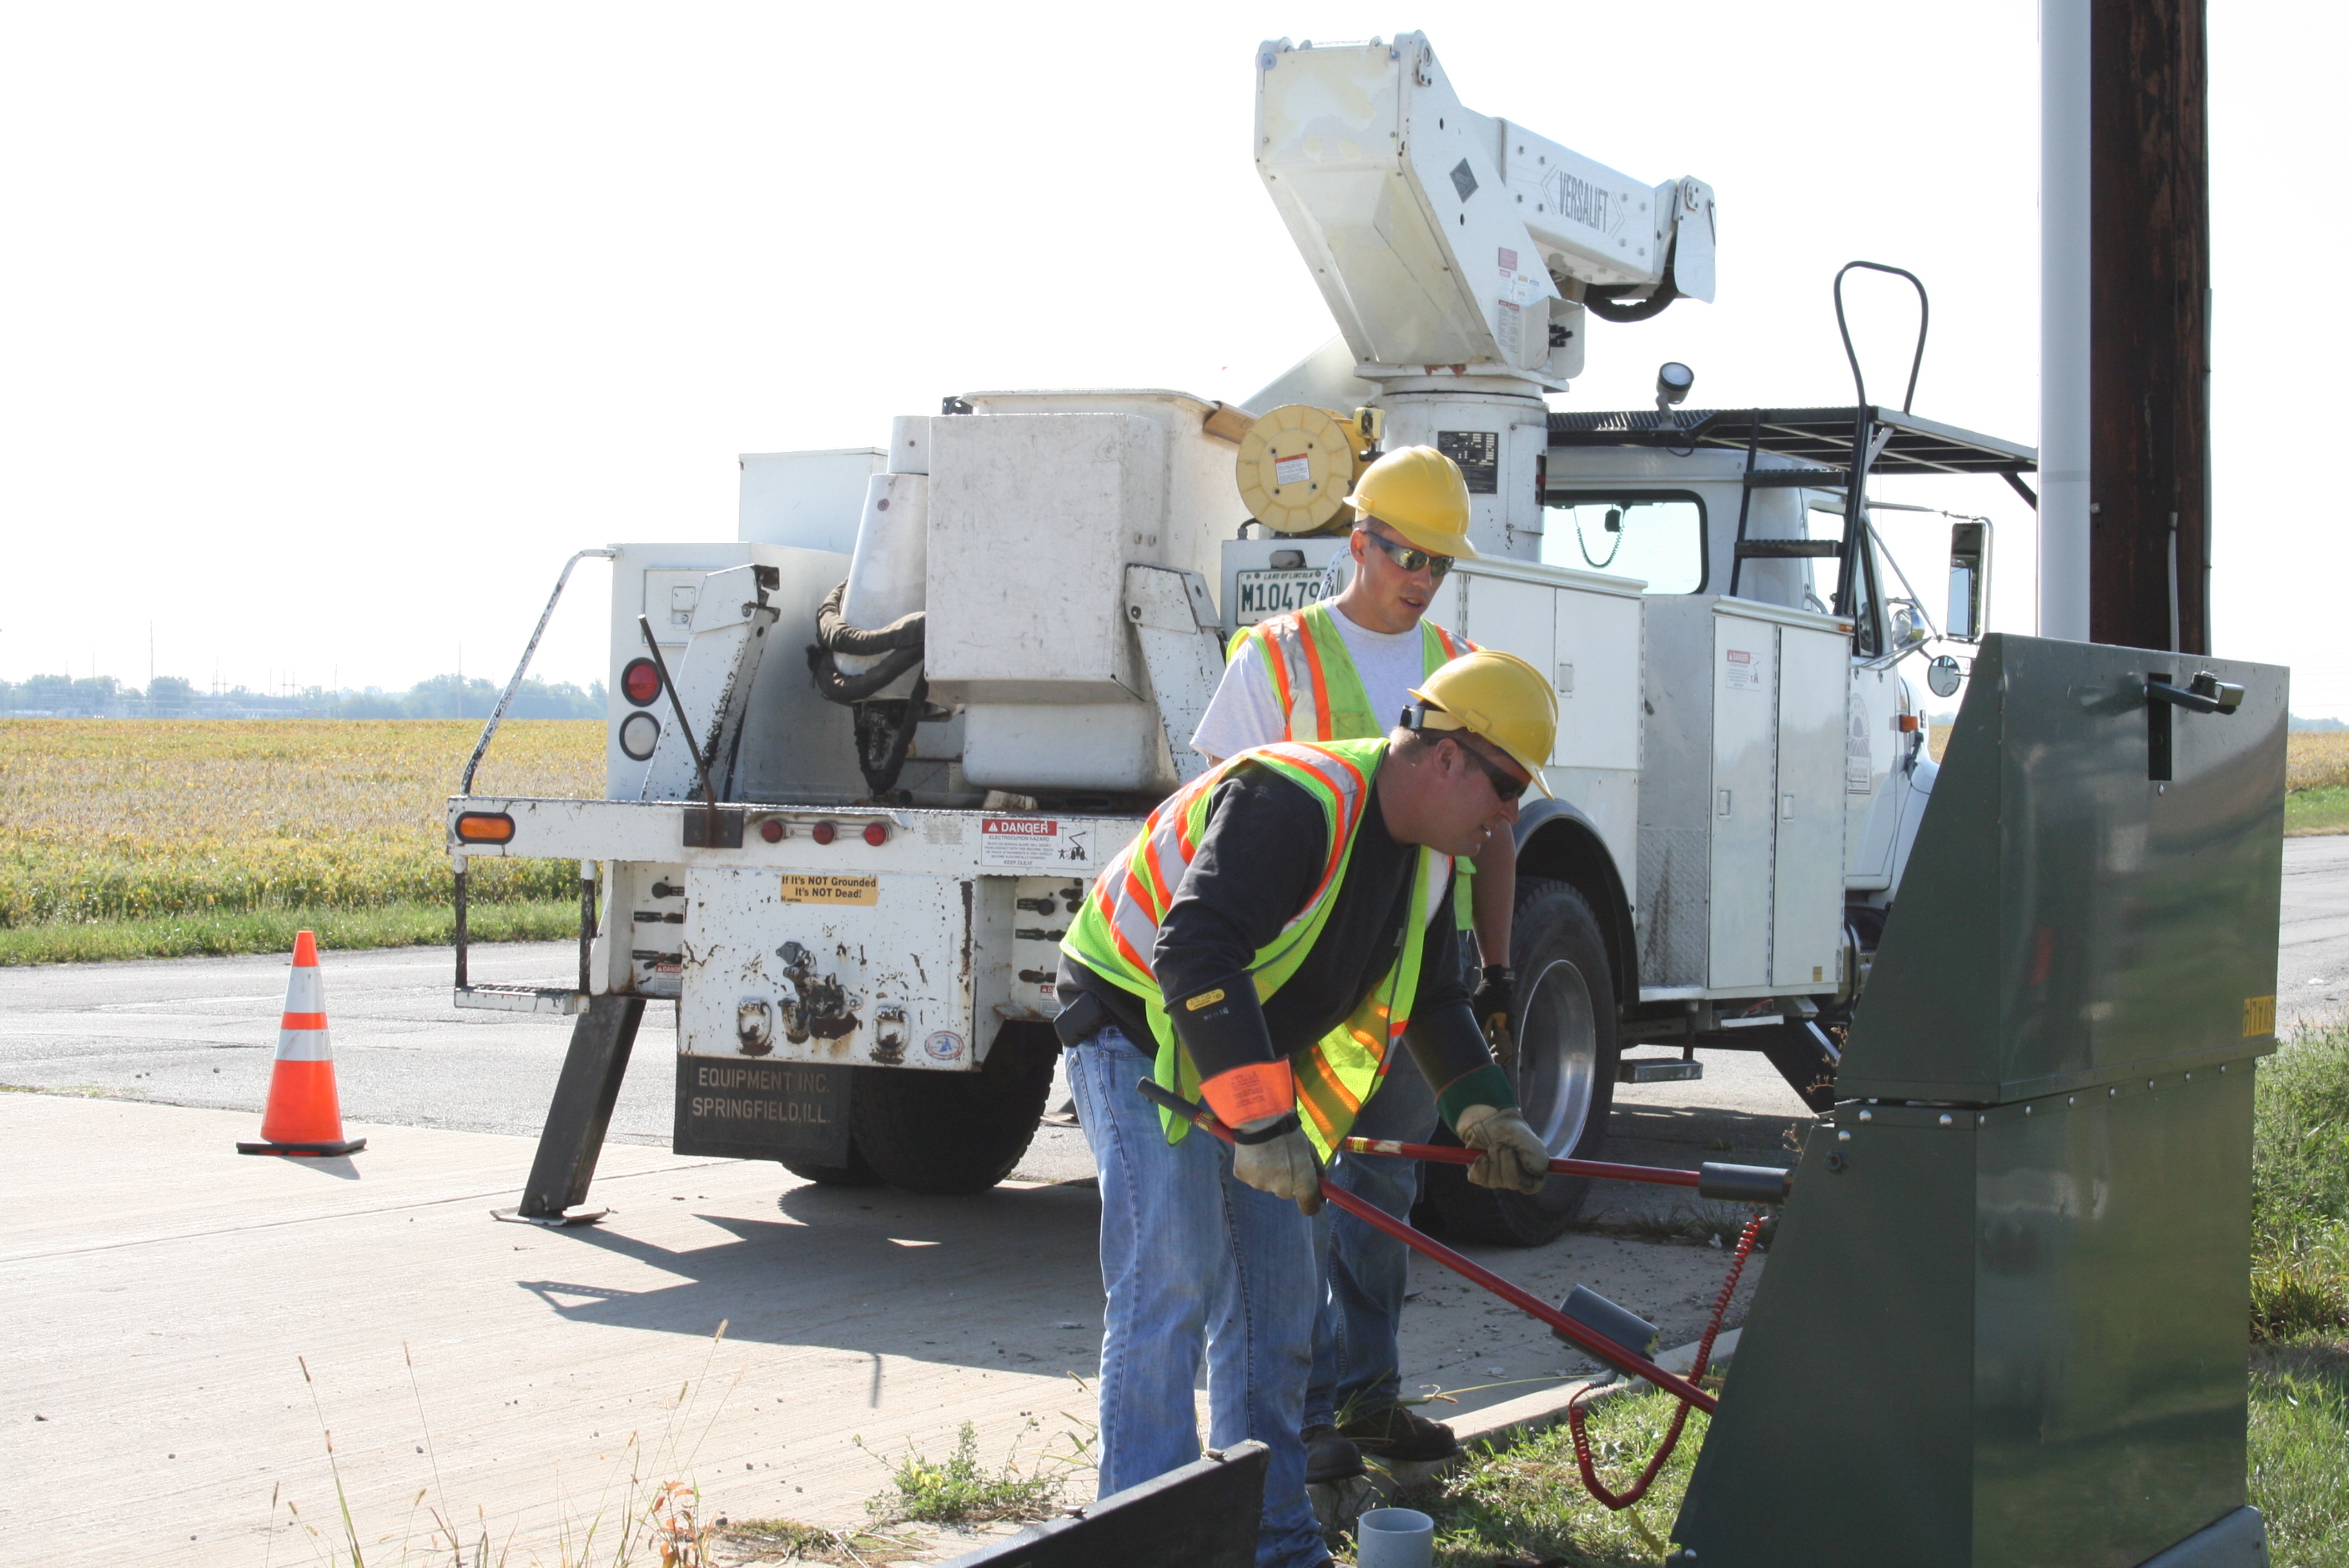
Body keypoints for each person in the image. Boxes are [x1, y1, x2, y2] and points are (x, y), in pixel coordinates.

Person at [1054, 650, 1559, 1568]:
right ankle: (1146, 1544)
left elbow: (1437, 994)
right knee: (1169, 1279)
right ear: (1447, 757)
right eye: (1504, 784)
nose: (1507, 813)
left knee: (1278, 1308)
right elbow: (1194, 951)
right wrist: (1258, 1117)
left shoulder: (1427, 855)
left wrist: (1488, 1111)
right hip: (1129, 1021)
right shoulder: (1294, 799)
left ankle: (1271, 1537)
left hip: (1240, 1041)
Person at [1192, 445, 1524, 1479]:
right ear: (1358, 542)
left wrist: (1497, 971)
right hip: (1294, 987)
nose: (1419, 576)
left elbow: (1499, 831)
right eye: (1403, 553)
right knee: (1283, 1208)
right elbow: (1212, 816)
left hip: (1406, 988)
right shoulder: (1278, 657)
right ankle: (1284, 1429)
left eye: (1437, 561)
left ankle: (1365, 1402)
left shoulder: (1460, 668)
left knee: (1380, 1201)